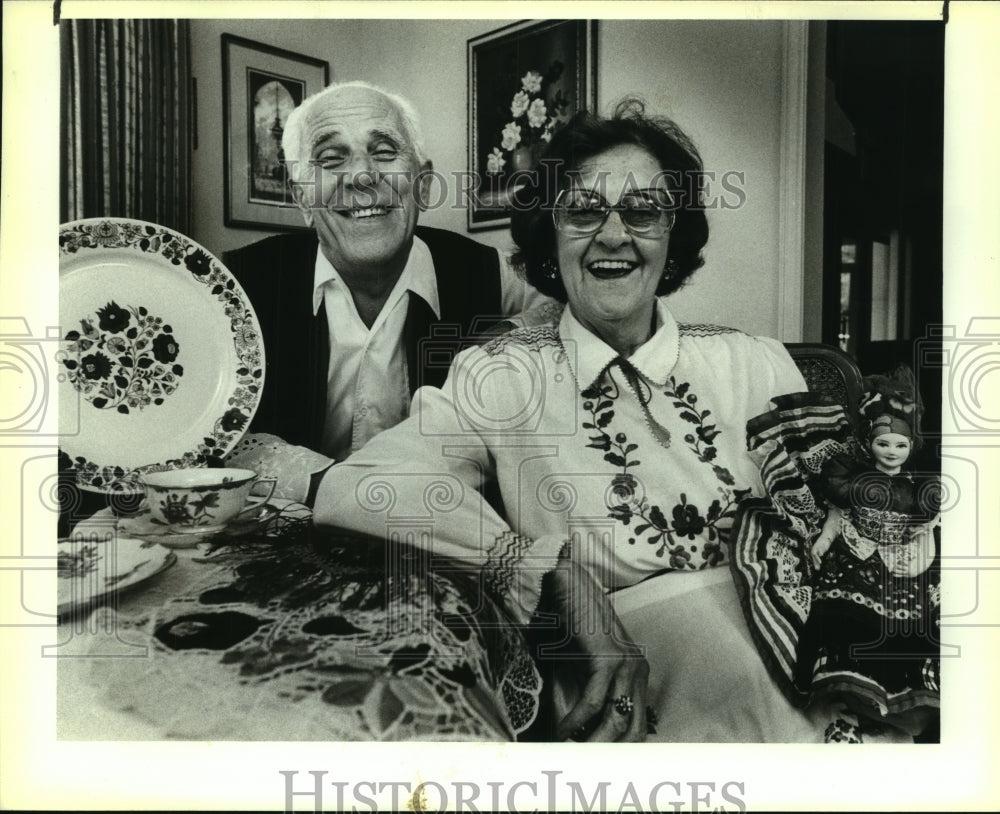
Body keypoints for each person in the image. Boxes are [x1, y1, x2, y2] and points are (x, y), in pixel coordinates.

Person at [311, 99, 908, 743]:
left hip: (806, 688)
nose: (615, 235)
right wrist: (550, 571)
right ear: (551, 233)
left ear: (673, 236)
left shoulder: (753, 361)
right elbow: (360, 484)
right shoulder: (501, 376)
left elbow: (859, 536)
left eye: (644, 212)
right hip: (643, 707)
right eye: (584, 211)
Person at [223, 81, 553, 463]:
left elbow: (570, 308)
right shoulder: (233, 283)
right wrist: (321, 484)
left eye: (384, 152)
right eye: (331, 159)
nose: (362, 175)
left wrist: (507, 336)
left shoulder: (487, 270)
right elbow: (201, 433)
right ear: (303, 199)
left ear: (424, 186)